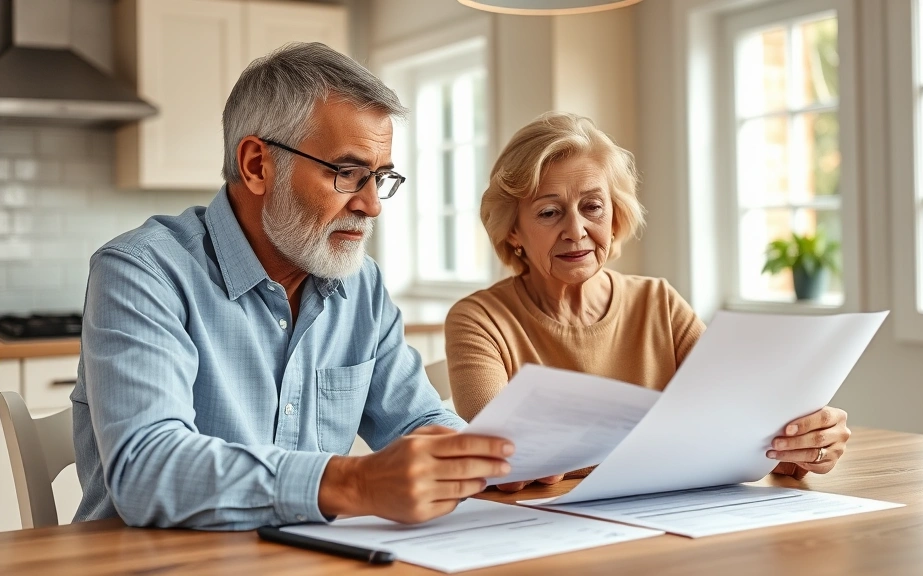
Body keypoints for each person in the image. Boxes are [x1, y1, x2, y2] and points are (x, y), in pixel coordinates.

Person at [71, 43, 513, 530]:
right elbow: (147, 468)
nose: (371, 205)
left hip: (307, 556)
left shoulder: (361, 284)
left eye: (380, 178)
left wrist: (500, 460)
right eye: (347, 173)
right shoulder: (142, 272)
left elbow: (416, 423)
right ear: (257, 165)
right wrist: (356, 483)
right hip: (152, 558)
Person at [445, 112, 850, 492]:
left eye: (592, 207)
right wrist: (683, 446)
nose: (576, 230)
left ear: (615, 217)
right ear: (513, 231)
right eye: (549, 212)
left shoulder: (660, 304)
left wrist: (801, 442)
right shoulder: (478, 321)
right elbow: (507, 460)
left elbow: (740, 430)